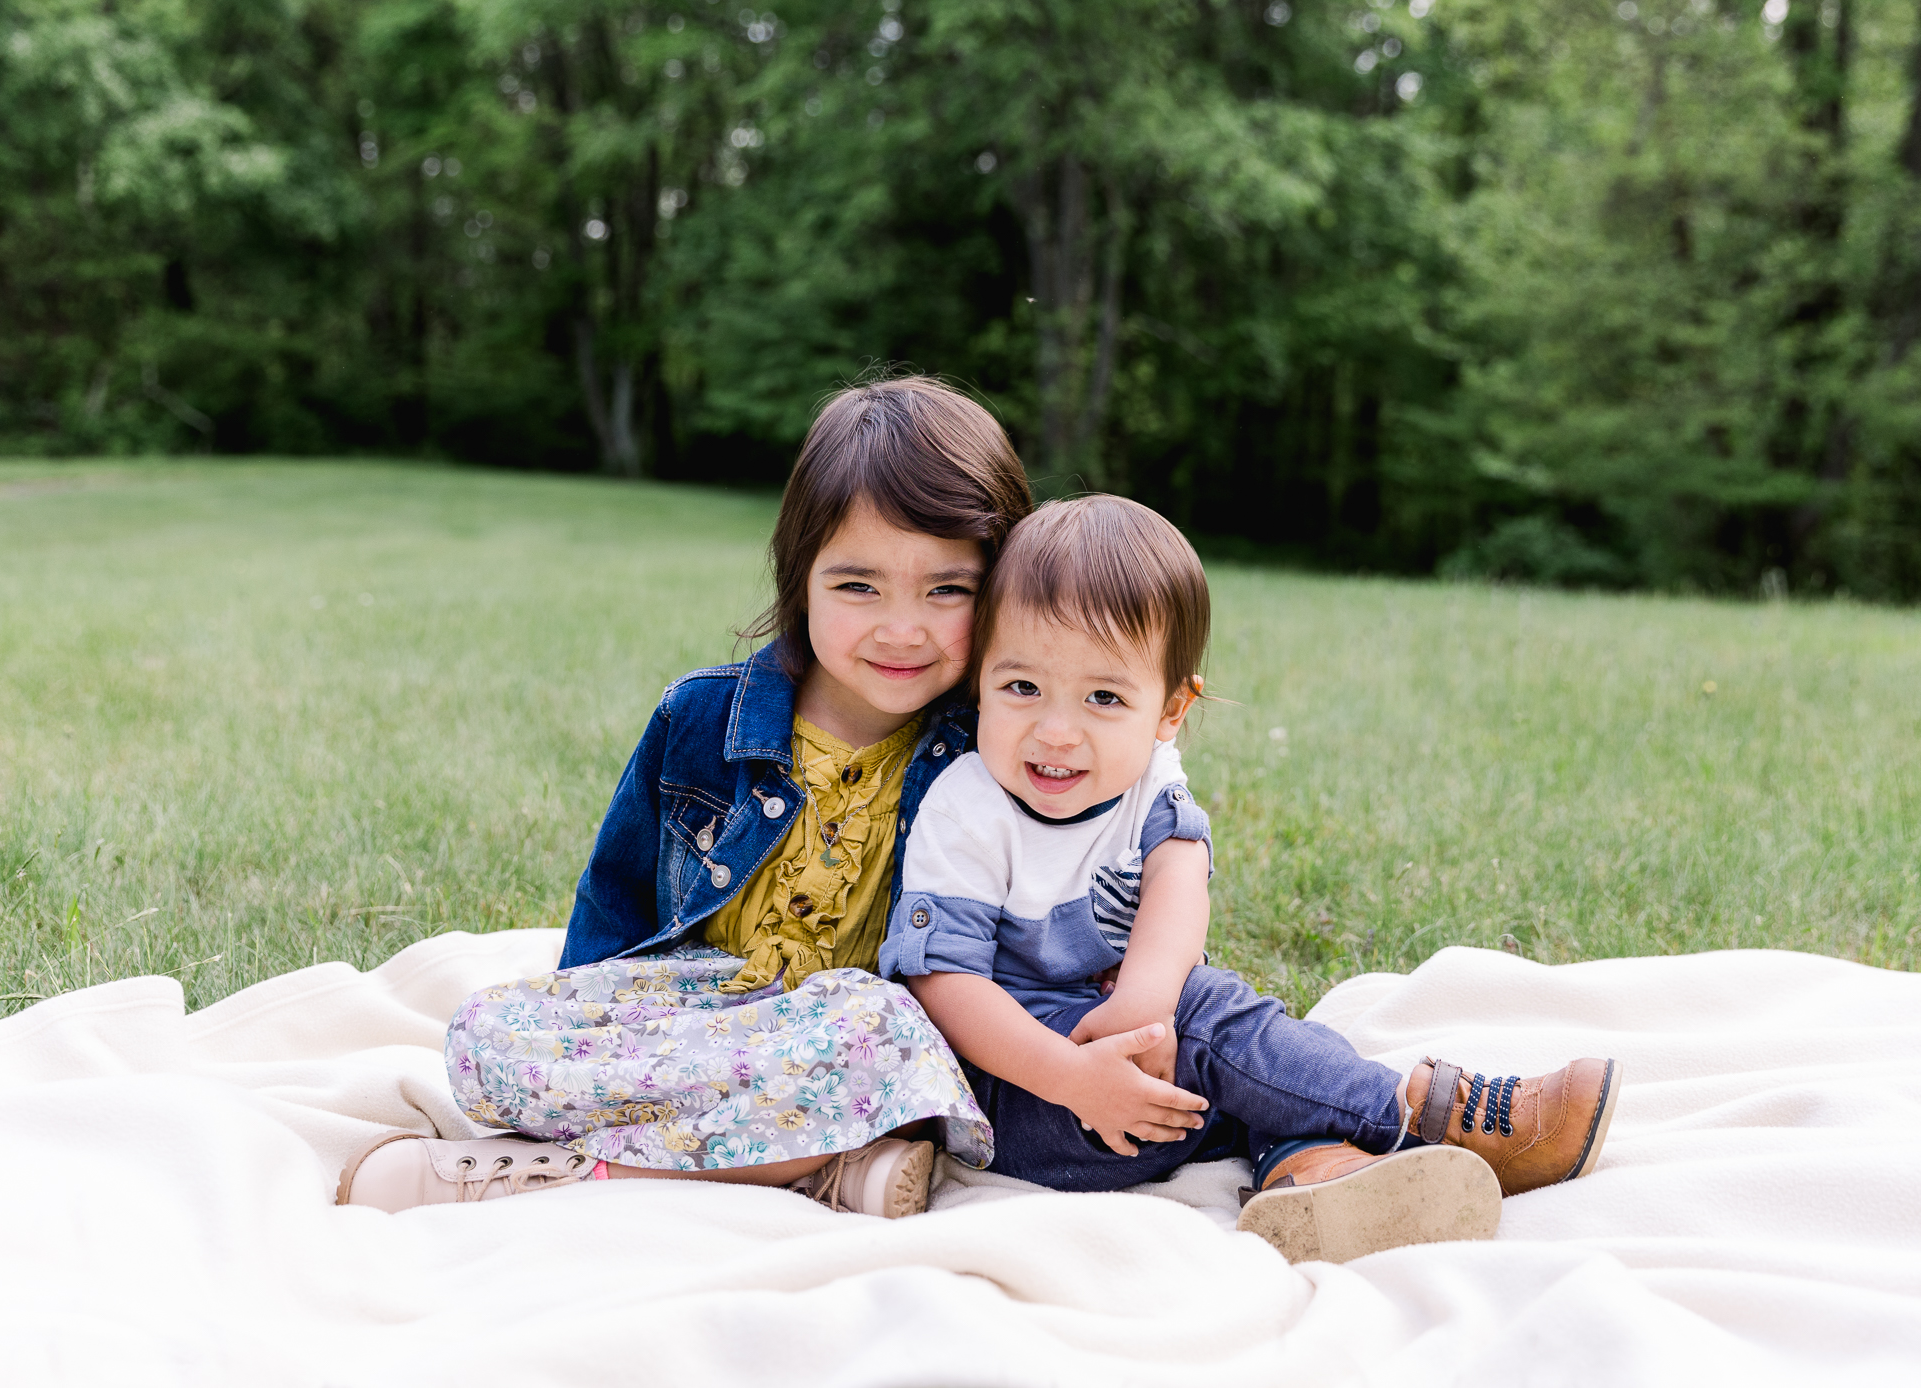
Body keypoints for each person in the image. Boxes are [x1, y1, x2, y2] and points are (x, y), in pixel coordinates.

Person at [337, 377, 1033, 1218]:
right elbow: (616, 906)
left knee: (878, 1019)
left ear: (1000, 592)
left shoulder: (992, 747)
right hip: (694, 1022)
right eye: (858, 586)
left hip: (850, 1050)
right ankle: (821, 1169)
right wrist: (588, 1030)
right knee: (486, 1034)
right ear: (799, 576)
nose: (902, 629)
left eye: (947, 590)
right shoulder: (704, 718)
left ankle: (572, 1176)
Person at [883, 495, 1623, 1263]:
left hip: (1146, 1074)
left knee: (1265, 1050)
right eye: (1021, 688)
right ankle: (1424, 1113)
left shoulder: (1147, 779)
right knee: (1220, 1024)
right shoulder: (967, 806)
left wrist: (1146, 999)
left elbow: (1180, 875)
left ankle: (1310, 1173)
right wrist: (1077, 1076)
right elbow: (945, 985)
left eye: (1105, 697)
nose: (1057, 730)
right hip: (1032, 1099)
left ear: (1170, 708)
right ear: (980, 683)